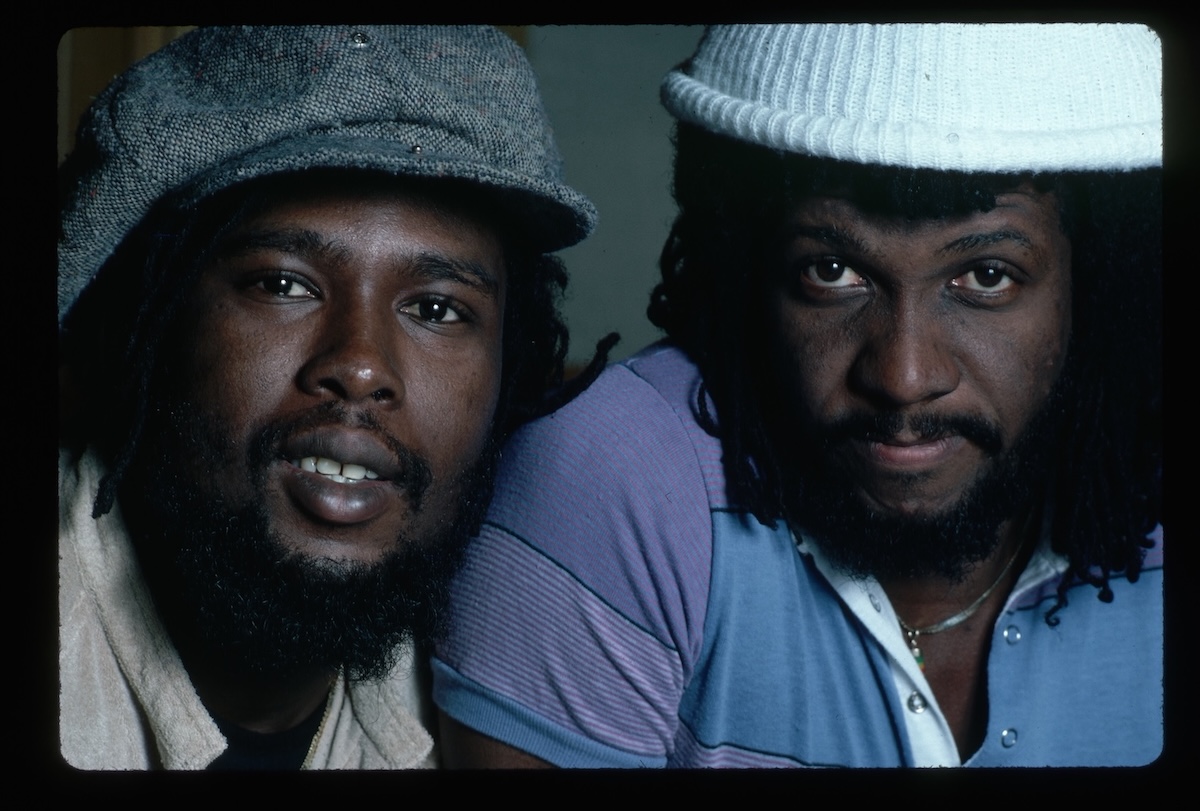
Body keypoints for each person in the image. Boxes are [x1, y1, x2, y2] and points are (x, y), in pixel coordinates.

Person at [432, 23, 1163, 767]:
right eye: (833, 271)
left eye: (986, 276)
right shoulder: (617, 480)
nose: (904, 375)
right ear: (747, 266)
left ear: (1095, 281)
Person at [57, 25, 597, 770]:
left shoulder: (503, 682)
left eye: (437, 308)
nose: (361, 365)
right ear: (149, 326)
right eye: (283, 284)